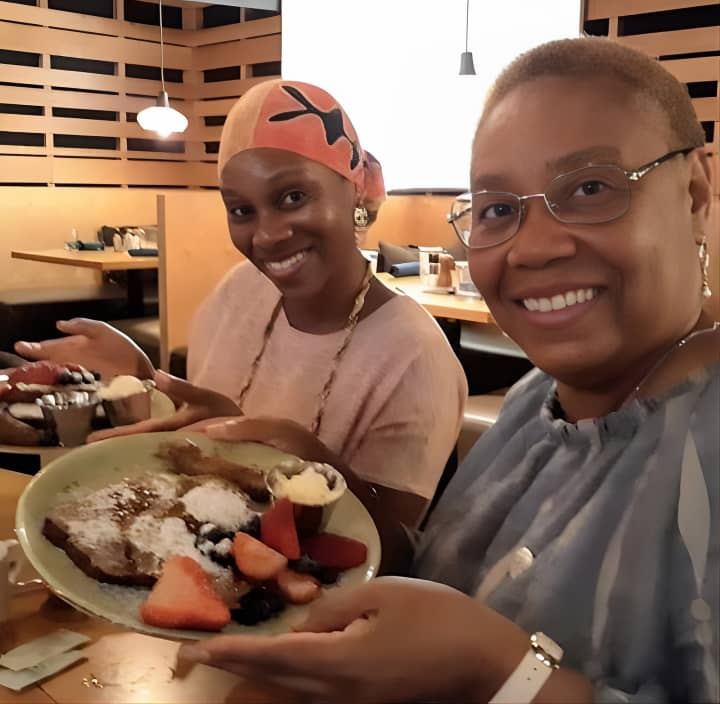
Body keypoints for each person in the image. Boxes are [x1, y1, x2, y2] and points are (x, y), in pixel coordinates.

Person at [176, 37, 719, 704]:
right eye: (498, 209)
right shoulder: (534, 403)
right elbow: (432, 581)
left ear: (695, 194)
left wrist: (500, 673)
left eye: (589, 188)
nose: (533, 248)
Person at [15, 80, 467, 541]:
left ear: (354, 188)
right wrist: (142, 377)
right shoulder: (239, 292)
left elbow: (395, 552)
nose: (266, 236)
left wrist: (309, 460)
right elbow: (198, 440)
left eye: (293, 197)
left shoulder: (416, 358)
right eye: (241, 210)